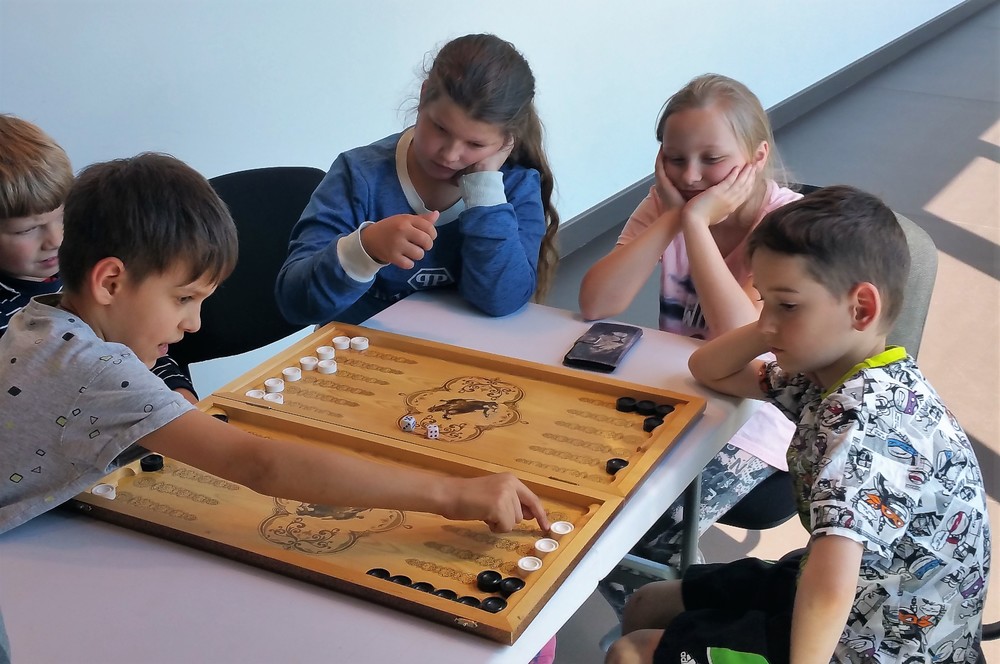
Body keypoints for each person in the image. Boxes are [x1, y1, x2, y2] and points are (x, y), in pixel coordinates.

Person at [0, 152, 550, 538]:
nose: (193, 324)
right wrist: (453, 494)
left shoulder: (36, 318)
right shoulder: (97, 371)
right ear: (110, 282)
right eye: (184, 299)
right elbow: (259, 464)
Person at [608, 186, 991, 664]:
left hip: (877, 644)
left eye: (787, 305)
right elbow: (709, 369)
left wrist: (772, 323)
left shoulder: (863, 429)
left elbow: (829, 593)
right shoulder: (833, 377)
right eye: (763, 299)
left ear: (861, 309)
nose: (766, 321)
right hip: (861, 596)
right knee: (646, 603)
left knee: (631, 653)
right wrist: (770, 323)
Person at [578, 75, 802, 610]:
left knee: (626, 544)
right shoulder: (669, 204)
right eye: (675, 159)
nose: (692, 175)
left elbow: (750, 340)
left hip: (761, 413)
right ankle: (679, 619)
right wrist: (674, 218)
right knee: (584, 503)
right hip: (686, 393)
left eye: (712, 159)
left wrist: (696, 226)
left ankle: (685, 630)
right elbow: (597, 303)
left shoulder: (787, 224)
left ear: (757, 157)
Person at [275, 33, 559, 326]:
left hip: (455, 351)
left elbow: (502, 302)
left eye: (475, 144)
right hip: (358, 349)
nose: (449, 155)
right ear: (424, 97)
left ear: (507, 141)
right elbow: (295, 302)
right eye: (440, 128)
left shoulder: (515, 186)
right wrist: (366, 248)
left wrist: (485, 194)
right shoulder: (359, 175)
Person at [0, 113, 198, 404]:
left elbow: (138, 346)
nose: (55, 240)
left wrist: (180, 394)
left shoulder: (92, 272)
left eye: (63, 217)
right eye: (27, 230)